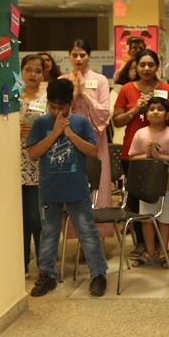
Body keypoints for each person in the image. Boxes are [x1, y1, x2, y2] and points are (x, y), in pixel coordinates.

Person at [28, 79, 109, 298]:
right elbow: (33, 154)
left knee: (87, 230)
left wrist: (70, 134)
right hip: (49, 189)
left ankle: (98, 274)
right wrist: (55, 133)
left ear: (70, 104)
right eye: (53, 107)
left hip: (77, 187)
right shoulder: (40, 123)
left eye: (62, 107)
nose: (57, 112)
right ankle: (47, 275)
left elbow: (93, 151)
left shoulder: (81, 122)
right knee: (49, 232)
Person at [112, 49, 169, 259]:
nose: (146, 68)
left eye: (151, 64)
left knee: (162, 198)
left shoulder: (166, 88)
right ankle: (142, 244)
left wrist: (159, 111)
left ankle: (160, 245)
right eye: (142, 65)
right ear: (136, 67)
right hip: (134, 155)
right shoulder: (127, 89)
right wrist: (135, 109)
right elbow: (117, 121)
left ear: (157, 66)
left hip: (163, 154)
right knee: (136, 200)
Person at [61, 39, 113, 238]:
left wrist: (85, 93)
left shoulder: (100, 80)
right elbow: (59, 112)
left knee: (96, 188)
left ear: (89, 56)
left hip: (94, 139)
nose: (78, 59)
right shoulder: (63, 80)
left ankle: (95, 240)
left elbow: (104, 113)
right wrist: (75, 93)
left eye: (82, 55)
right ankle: (78, 238)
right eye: (74, 55)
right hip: (69, 140)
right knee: (73, 188)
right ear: (69, 56)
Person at [128, 97, 169, 269]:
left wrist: (160, 157)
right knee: (147, 219)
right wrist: (146, 155)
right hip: (146, 186)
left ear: (167, 115)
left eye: (160, 109)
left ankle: (163, 252)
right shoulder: (140, 134)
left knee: (164, 220)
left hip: (167, 185)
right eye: (152, 109)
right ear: (146, 114)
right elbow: (132, 157)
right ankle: (150, 252)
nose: (155, 112)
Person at [19, 54, 47, 277]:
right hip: (14, 162)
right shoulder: (13, 97)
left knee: (35, 217)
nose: (33, 74)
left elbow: (54, 130)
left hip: (37, 164)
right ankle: (21, 265)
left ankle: (44, 265)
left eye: (37, 71)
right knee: (18, 220)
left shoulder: (47, 100)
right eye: (28, 69)